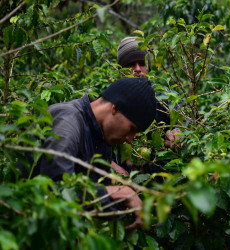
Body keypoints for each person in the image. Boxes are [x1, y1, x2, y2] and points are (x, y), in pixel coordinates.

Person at [32, 78, 156, 230]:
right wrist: (118, 193)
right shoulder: (68, 122)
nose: (130, 139)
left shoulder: (101, 136)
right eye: (131, 129)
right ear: (115, 109)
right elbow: (54, 192)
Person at [117, 36, 181, 151]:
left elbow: (185, 122)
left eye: (142, 63)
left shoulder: (167, 97)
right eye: (130, 64)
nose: (137, 69)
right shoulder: (112, 101)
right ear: (121, 70)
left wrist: (178, 134)